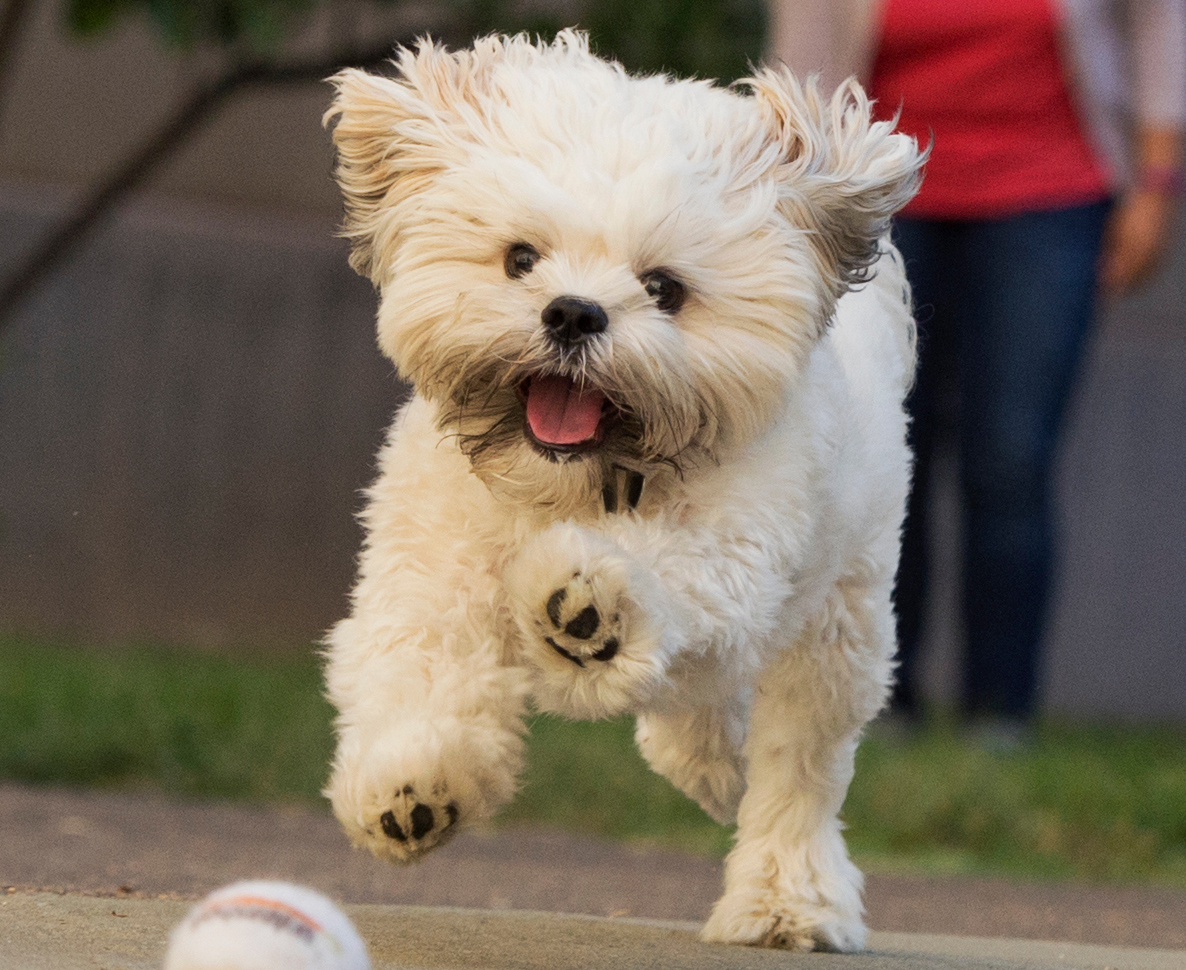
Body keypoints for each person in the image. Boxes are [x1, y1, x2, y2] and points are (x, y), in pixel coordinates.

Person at [769, 0, 1186, 738]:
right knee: (881, 453)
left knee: (1010, 460)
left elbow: (1159, 18)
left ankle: (999, 718)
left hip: (1051, 195)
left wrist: (1157, 183)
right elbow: (799, 59)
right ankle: (876, 701)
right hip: (881, 200)